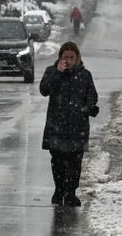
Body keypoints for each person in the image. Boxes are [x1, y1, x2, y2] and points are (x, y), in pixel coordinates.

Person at [40, 41, 99, 207]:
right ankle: (59, 190)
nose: (68, 60)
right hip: (56, 125)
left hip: (77, 127)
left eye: (72, 57)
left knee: (75, 162)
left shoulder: (84, 75)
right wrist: (57, 73)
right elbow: (44, 90)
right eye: (65, 57)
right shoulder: (51, 72)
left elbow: (92, 96)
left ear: (77, 58)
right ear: (60, 58)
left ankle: (71, 193)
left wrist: (84, 109)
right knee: (57, 161)